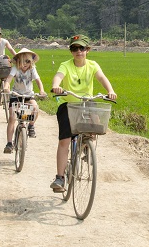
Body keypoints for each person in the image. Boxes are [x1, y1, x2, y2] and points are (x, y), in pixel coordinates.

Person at [49, 34, 116, 193]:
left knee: (96, 124)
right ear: (71, 51)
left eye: (81, 48)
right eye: (74, 48)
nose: (78, 51)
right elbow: (58, 77)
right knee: (64, 141)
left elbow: (101, 77)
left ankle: (86, 146)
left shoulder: (92, 65)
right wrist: (56, 86)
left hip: (87, 103)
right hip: (69, 104)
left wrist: (110, 90)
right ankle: (60, 178)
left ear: (88, 50)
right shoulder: (66, 65)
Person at [3, 48, 46, 153]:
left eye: (28, 61)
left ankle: (31, 125)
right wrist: (6, 87)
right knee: (12, 117)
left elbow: (38, 81)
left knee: (35, 108)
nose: (25, 64)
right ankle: (9, 143)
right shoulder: (15, 69)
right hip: (16, 95)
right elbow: (8, 80)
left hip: (28, 95)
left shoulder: (32, 69)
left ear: (31, 62)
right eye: (22, 61)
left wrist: (41, 90)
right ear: (18, 62)